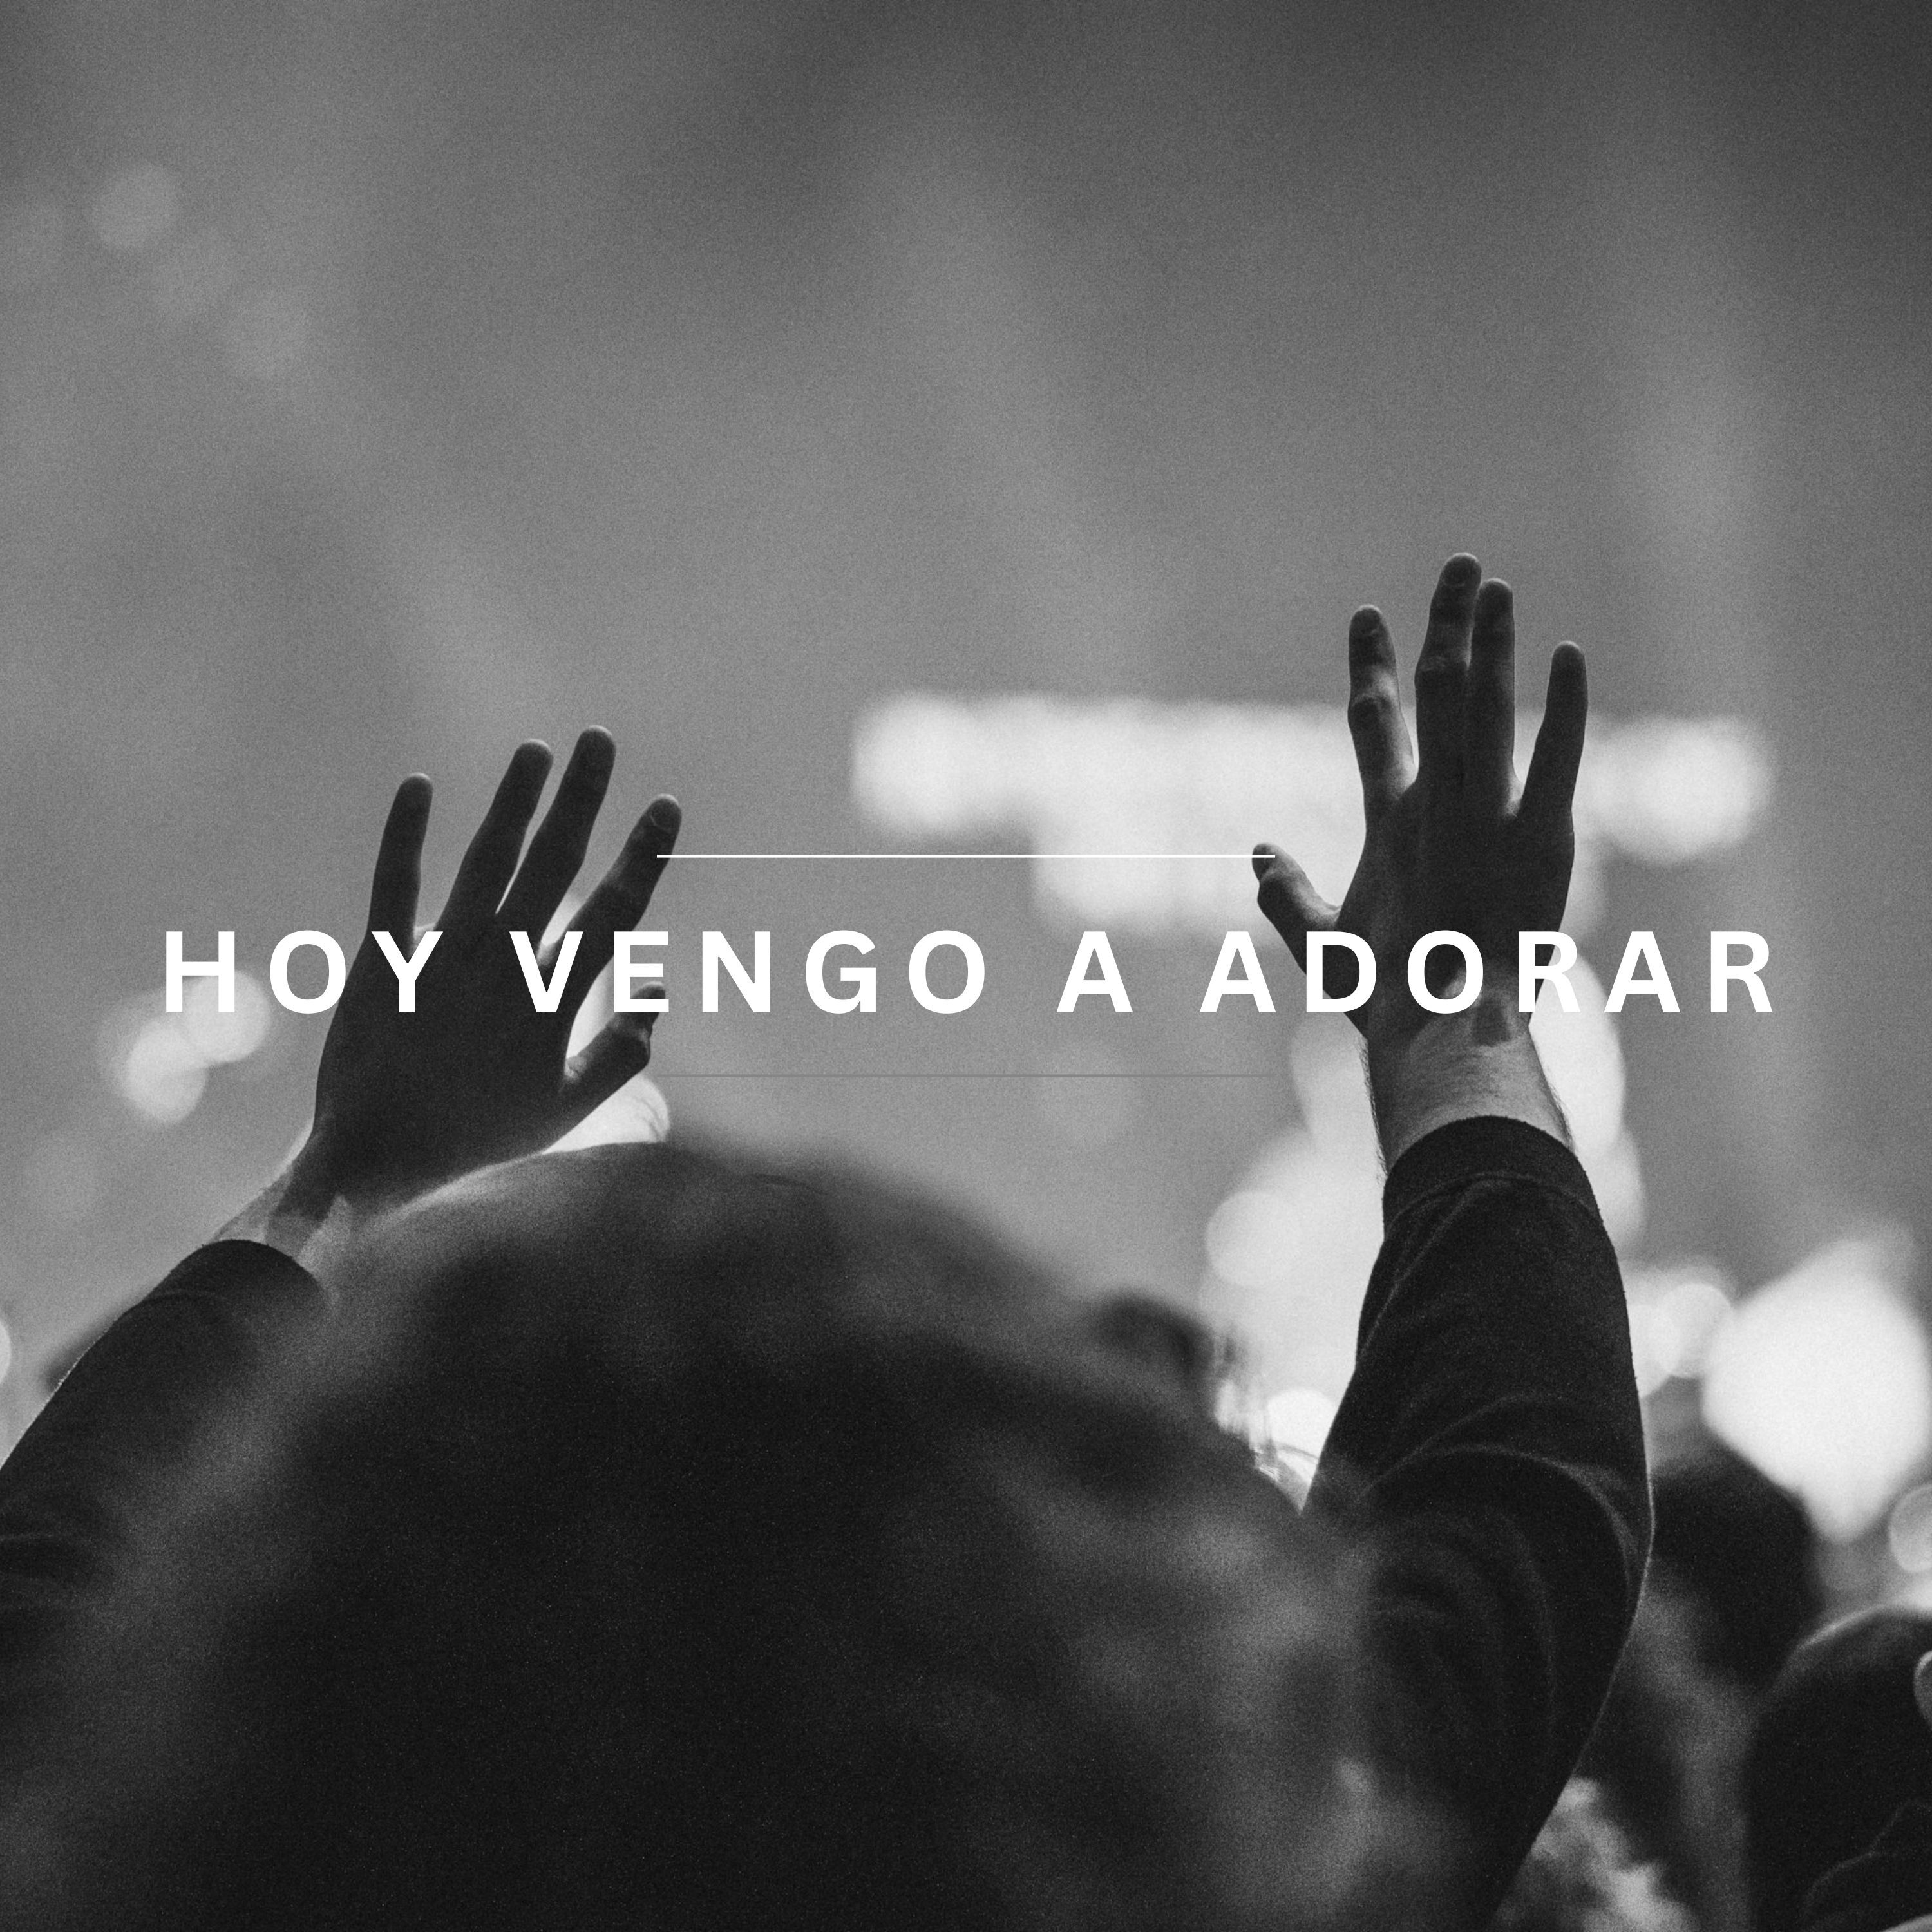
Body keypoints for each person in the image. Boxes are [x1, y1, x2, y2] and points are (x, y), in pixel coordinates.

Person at [0, 556, 1649, 1928]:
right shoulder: (1222, 1871)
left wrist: (348, 1181)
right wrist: (1454, 1026)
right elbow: (1522, 1494)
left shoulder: (202, 1849)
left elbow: (42, 1613)